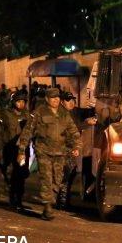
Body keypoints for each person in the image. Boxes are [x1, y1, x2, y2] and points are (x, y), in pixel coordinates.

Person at [18, 88, 81, 221]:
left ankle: (49, 201)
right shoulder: (39, 112)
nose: (56, 100)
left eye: (58, 98)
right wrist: (21, 151)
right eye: (53, 98)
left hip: (60, 152)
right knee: (46, 179)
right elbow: (27, 131)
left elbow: (73, 131)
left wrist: (76, 146)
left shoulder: (64, 114)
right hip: (44, 151)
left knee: (57, 180)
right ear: (47, 99)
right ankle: (47, 207)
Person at [0, 92, 30, 210]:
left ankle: (19, 199)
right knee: (11, 174)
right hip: (9, 148)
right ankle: (12, 198)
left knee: (21, 174)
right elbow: (0, 131)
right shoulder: (6, 114)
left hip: (23, 149)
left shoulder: (27, 115)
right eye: (18, 101)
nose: (21, 104)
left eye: (23, 101)